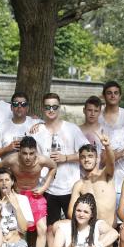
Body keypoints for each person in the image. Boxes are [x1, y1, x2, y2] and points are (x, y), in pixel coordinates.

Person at [31, 93, 89, 238]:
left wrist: (65, 157)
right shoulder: (37, 131)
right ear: (43, 108)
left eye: (54, 107)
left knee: (74, 224)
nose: (51, 110)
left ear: (60, 108)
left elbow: (86, 154)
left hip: (70, 187)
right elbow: (32, 158)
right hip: (47, 186)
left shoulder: (72, 129)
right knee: (50, 227)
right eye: (47, 107)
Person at [0, 136, 56, 247]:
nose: (28, 157)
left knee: (41, 228)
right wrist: (5, 186)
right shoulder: (12, 160)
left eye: (31, 153)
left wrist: (44, 187)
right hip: (17, 196)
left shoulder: (42, 160)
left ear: (36, 152)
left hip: (36, 195)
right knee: (21, 230)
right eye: (24, 153)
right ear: (19, 152)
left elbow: (53, 167)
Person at [68, 135, 116, 229]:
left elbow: (111, 162)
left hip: (108, 229)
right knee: (57, 226)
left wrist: (107, 146)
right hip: (89, 229)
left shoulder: (105, 174)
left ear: (97, 159)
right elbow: (70, 212)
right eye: (83, 157)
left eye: (90, 156)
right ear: (80, 160)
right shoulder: (79, 185)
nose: (86, 160)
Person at [0, 91, 39, 158]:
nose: (19, 106)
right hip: (8, 167)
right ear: (11, 107)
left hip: (31, 167)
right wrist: (8, 148)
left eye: (23, 104)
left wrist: (40, 124)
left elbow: (50, 125)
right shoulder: (2, 127)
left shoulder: (36, 123)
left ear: (27, 108)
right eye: (16, 104)